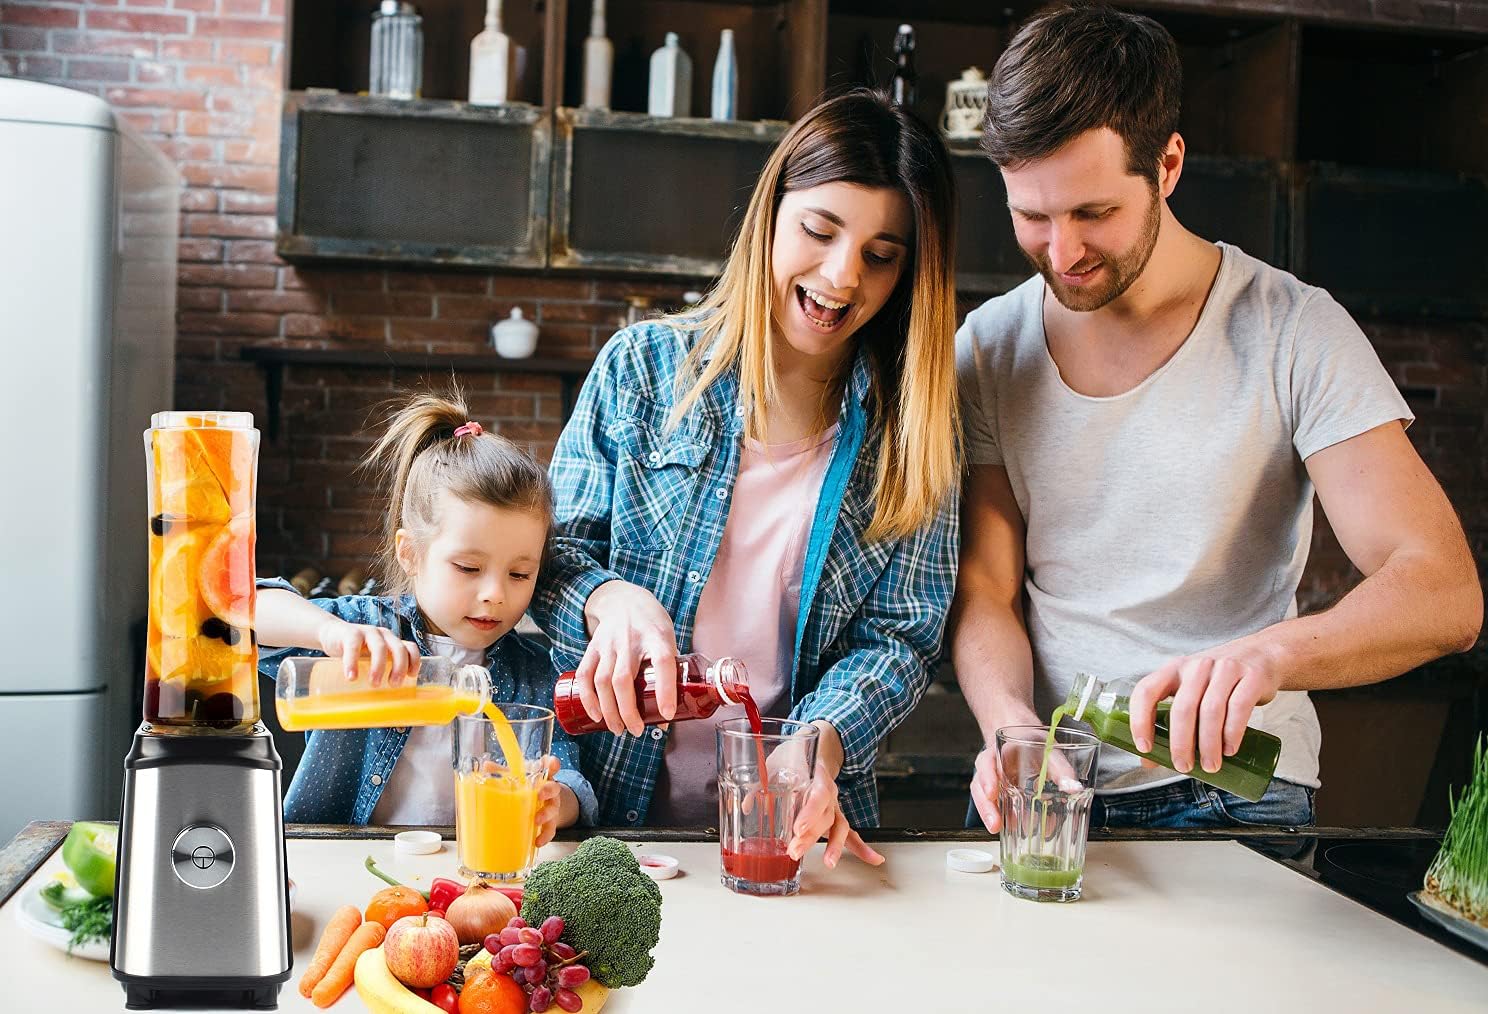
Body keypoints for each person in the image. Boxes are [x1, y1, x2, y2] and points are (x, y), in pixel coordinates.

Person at [952, 5, 1483, 831]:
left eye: (1093, 213)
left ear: (1167, 166)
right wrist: (1011, 724)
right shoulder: (989, 347)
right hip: (1062, 790)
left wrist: (1271, 656)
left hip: (1240, 786)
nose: (1061, 253)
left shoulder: (1291, 328)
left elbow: (1444, 593)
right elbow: (987, 589)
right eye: (1033, 217)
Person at [530, 89, 961, 868]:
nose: (841, 276)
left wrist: (820, 739)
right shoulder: (643, 371)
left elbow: (901, 638)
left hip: (793, 835)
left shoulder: (916, 433)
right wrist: (607, 599)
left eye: (880, 255)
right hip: (600, 817)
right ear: (771, 214)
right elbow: (548, 560)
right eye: (819, 231)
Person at [256, 392, 598, 840]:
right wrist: (330, 632)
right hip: (343, 862)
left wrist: (556, 803)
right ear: (411, 554)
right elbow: (245, 611)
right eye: (468, 568)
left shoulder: (536, 673)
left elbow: (570, 779)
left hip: (469, 882)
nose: (495, 593)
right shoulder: (368, 633)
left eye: (520, 572)